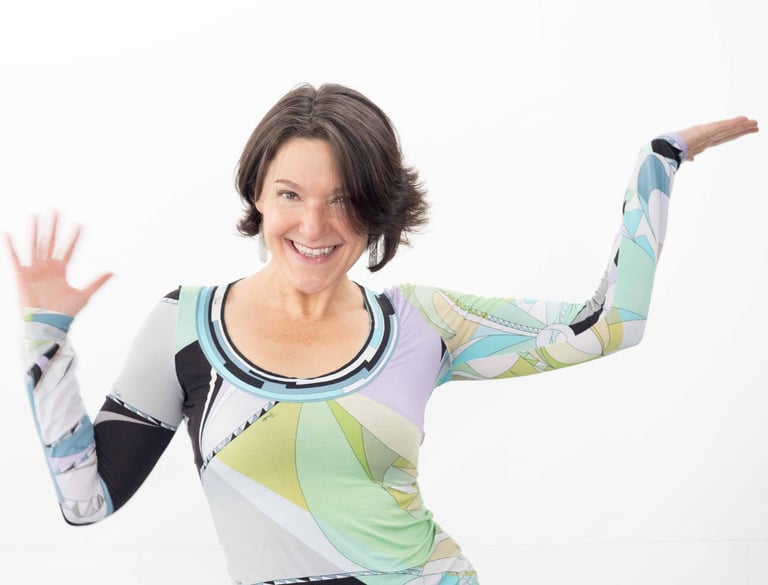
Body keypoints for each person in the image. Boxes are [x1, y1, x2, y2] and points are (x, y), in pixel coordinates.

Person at [6, 83, 759, 585]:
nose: (314, 225)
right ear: (257, 196)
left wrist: (658, 167)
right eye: (290, 194)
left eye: (343, 200)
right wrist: (46, 340)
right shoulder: (185, 327)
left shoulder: (422, 324)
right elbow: (88, 500)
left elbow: (609, 325)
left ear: (379, 209)